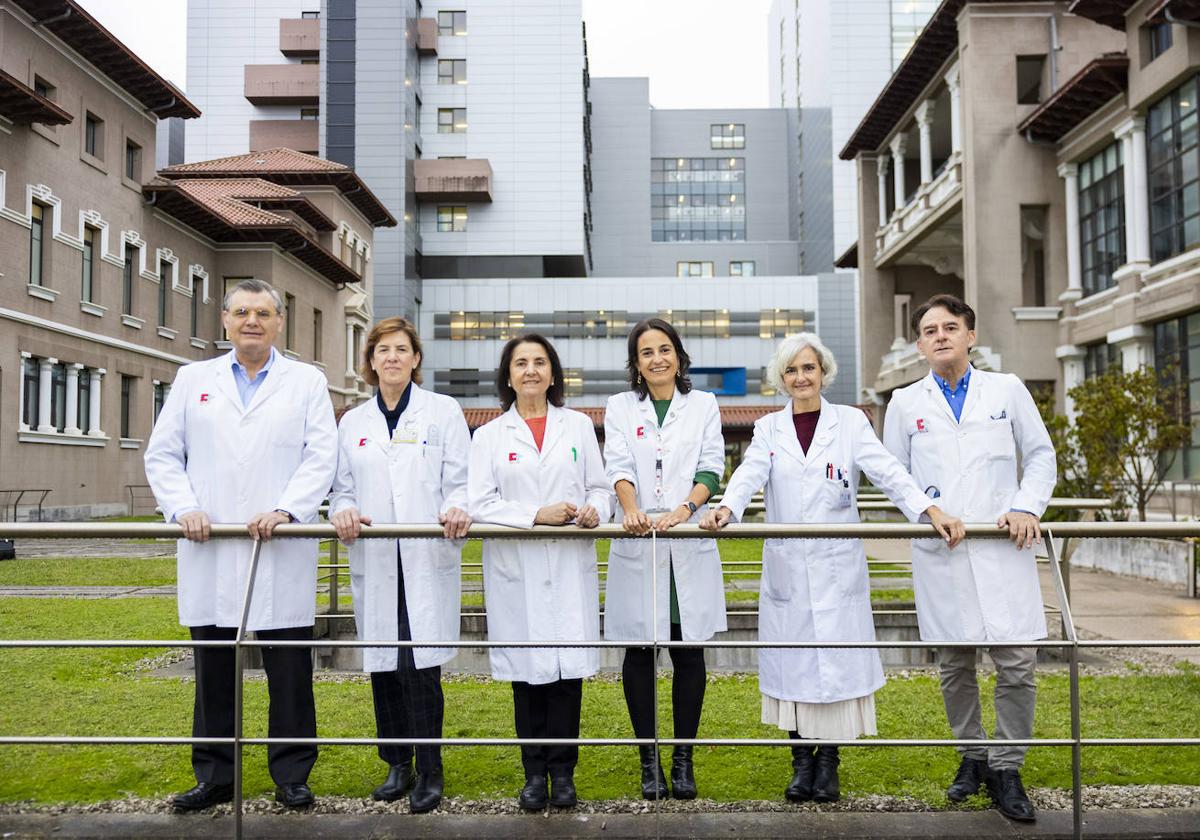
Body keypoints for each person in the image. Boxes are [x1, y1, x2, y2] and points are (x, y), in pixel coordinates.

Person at [700, 332, 963, 803]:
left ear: (824, 372)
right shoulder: (768, 429)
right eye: (792, 370)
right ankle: (801, 763)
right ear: (781, 380)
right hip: (789, 569)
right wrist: (728, 509)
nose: (801, 377)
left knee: (836, 668)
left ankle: (830, 764)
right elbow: (748, 474)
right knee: (795, 669)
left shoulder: (850, 423)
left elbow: (887, 471)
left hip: (837, 568)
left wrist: (928, 511)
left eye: (809, 368)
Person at [144, 278, 337, 811]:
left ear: (280, 323)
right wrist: (184, 508)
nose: (253, 321)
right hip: (210, 542)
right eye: (242, 312)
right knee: (213, 669)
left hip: (280, 540)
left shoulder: (306, 382)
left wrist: (288, 509)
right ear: (224, 321)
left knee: (290, 671)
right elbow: (163, 455)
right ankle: (215, 774)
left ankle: (292, 774)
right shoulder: (192, 379)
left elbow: (321, 456)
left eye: (264, 313)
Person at [883, 293, 1056, 823]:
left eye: (950, 327)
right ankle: (972, 757)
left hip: (1005, 547)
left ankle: (1007, 767)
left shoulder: (1006, 390)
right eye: (930, 330)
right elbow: (893, 475)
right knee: (955, 667)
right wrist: (927, 508)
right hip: (944, 550)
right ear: (919, 344)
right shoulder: (904, 403)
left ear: (970, 335)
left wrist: (1026, 506)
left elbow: (1041, 455)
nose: (940, 335)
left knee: (1017, 666)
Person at [328, 317, 470, 813]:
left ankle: (430, 768)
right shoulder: (353, 422)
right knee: (385, 665)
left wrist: (458, 505)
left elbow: (461, 479)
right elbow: (341, 486)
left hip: (425, 555)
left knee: (420, 665)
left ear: (415, 359)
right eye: (382, 350)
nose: (391, 357)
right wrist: (340, 508)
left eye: (401, 349)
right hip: (377, 557)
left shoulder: (443, 412)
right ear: (370, 361)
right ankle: (396, 763)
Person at [466, 333, 612, 811]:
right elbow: (480, 503)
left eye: (540, 362)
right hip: (518, 571)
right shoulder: (489, 436)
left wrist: (593, 510)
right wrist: (536, 515)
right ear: (507, 375)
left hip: (568, 567)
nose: (531, 370)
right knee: (527, 676)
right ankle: (533, 774)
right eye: (521, 363)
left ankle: (564, 773)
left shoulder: (578, 427)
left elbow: (600, 487)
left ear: (553, 372)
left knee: (568, 674)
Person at [602, 317, 725, 800]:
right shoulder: (619, 407)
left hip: (686, 540)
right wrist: (630, 509)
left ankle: (683, 759)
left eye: (665, 349)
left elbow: (712, 464)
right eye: (646, 352)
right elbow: (618, 463)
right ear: (636, 364)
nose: (657, 358)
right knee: (639, 651)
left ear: (679, 355)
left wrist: (684, 509)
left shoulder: (704, 405)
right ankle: (649, 760)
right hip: (639, 542)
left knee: (688, 651)